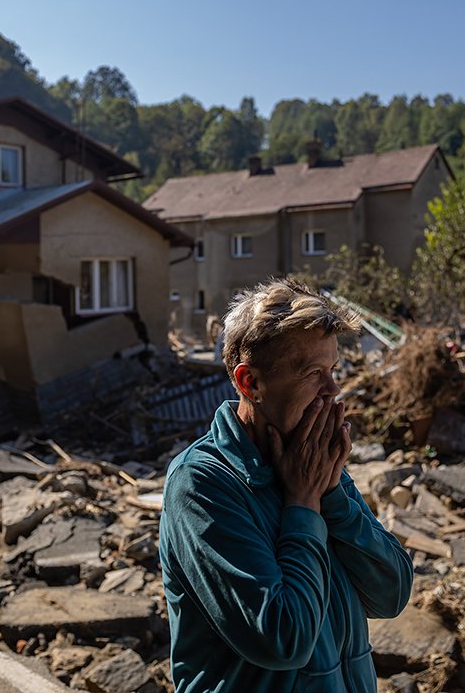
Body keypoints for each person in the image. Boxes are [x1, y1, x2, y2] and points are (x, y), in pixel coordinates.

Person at [159, 278, 413, 692]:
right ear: (250, 383)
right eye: (313, 373)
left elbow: (392, 594)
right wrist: (303, 505)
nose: (333, 390)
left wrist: (332, 497)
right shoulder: (202, 483)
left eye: (332, 371)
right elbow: (283, 641)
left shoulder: (314, 462)